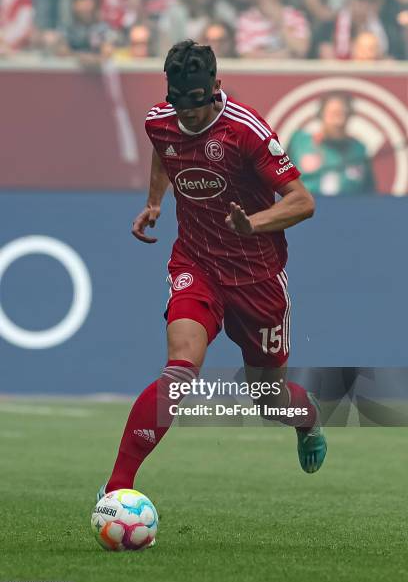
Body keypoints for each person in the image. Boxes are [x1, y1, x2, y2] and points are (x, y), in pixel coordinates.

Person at [97, 40, 327, 507]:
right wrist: (155, 201)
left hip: (258, 278)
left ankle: (307, 420)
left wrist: (252, 224)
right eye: (181, 102)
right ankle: (117, 487)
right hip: (197, 265)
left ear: (216, 88)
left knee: (267, 398)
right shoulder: (159, 121)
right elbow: (165, 150)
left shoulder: (247, 131)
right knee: (179, 372)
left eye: (198, 102)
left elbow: (304, 202)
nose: (190, 113)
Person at [287, 92, 377, 196]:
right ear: (321, 115)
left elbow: (369, 192)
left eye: (343, 114)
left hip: (348, 208)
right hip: (305, 207)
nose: (338, 121)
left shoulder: (359, 150)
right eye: (333, 114)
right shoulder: (300, 143)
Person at [235, 0, 311, 58]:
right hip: (258, 73)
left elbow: (301, 50)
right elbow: (245, 56)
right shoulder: (245, 20)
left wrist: (280, 24)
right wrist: (283, 56)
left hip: (289, 72)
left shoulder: (295, 16)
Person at [315, 0, 389, 59]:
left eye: (362, 2)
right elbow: (322, 49)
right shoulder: (331, 25)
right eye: (354, 2)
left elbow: (386, 54)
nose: (358, 8)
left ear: (370, 5)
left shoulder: (384, 26)